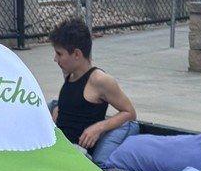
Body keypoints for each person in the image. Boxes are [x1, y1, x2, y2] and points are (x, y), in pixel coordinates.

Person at [49, 18, 136, 152]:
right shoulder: (69, 75)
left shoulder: (99, 80)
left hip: (78, 151)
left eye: (59, 54)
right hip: (61, 145)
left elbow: (129, 113)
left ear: (77, 54)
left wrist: (99, 127)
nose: (55, 59)